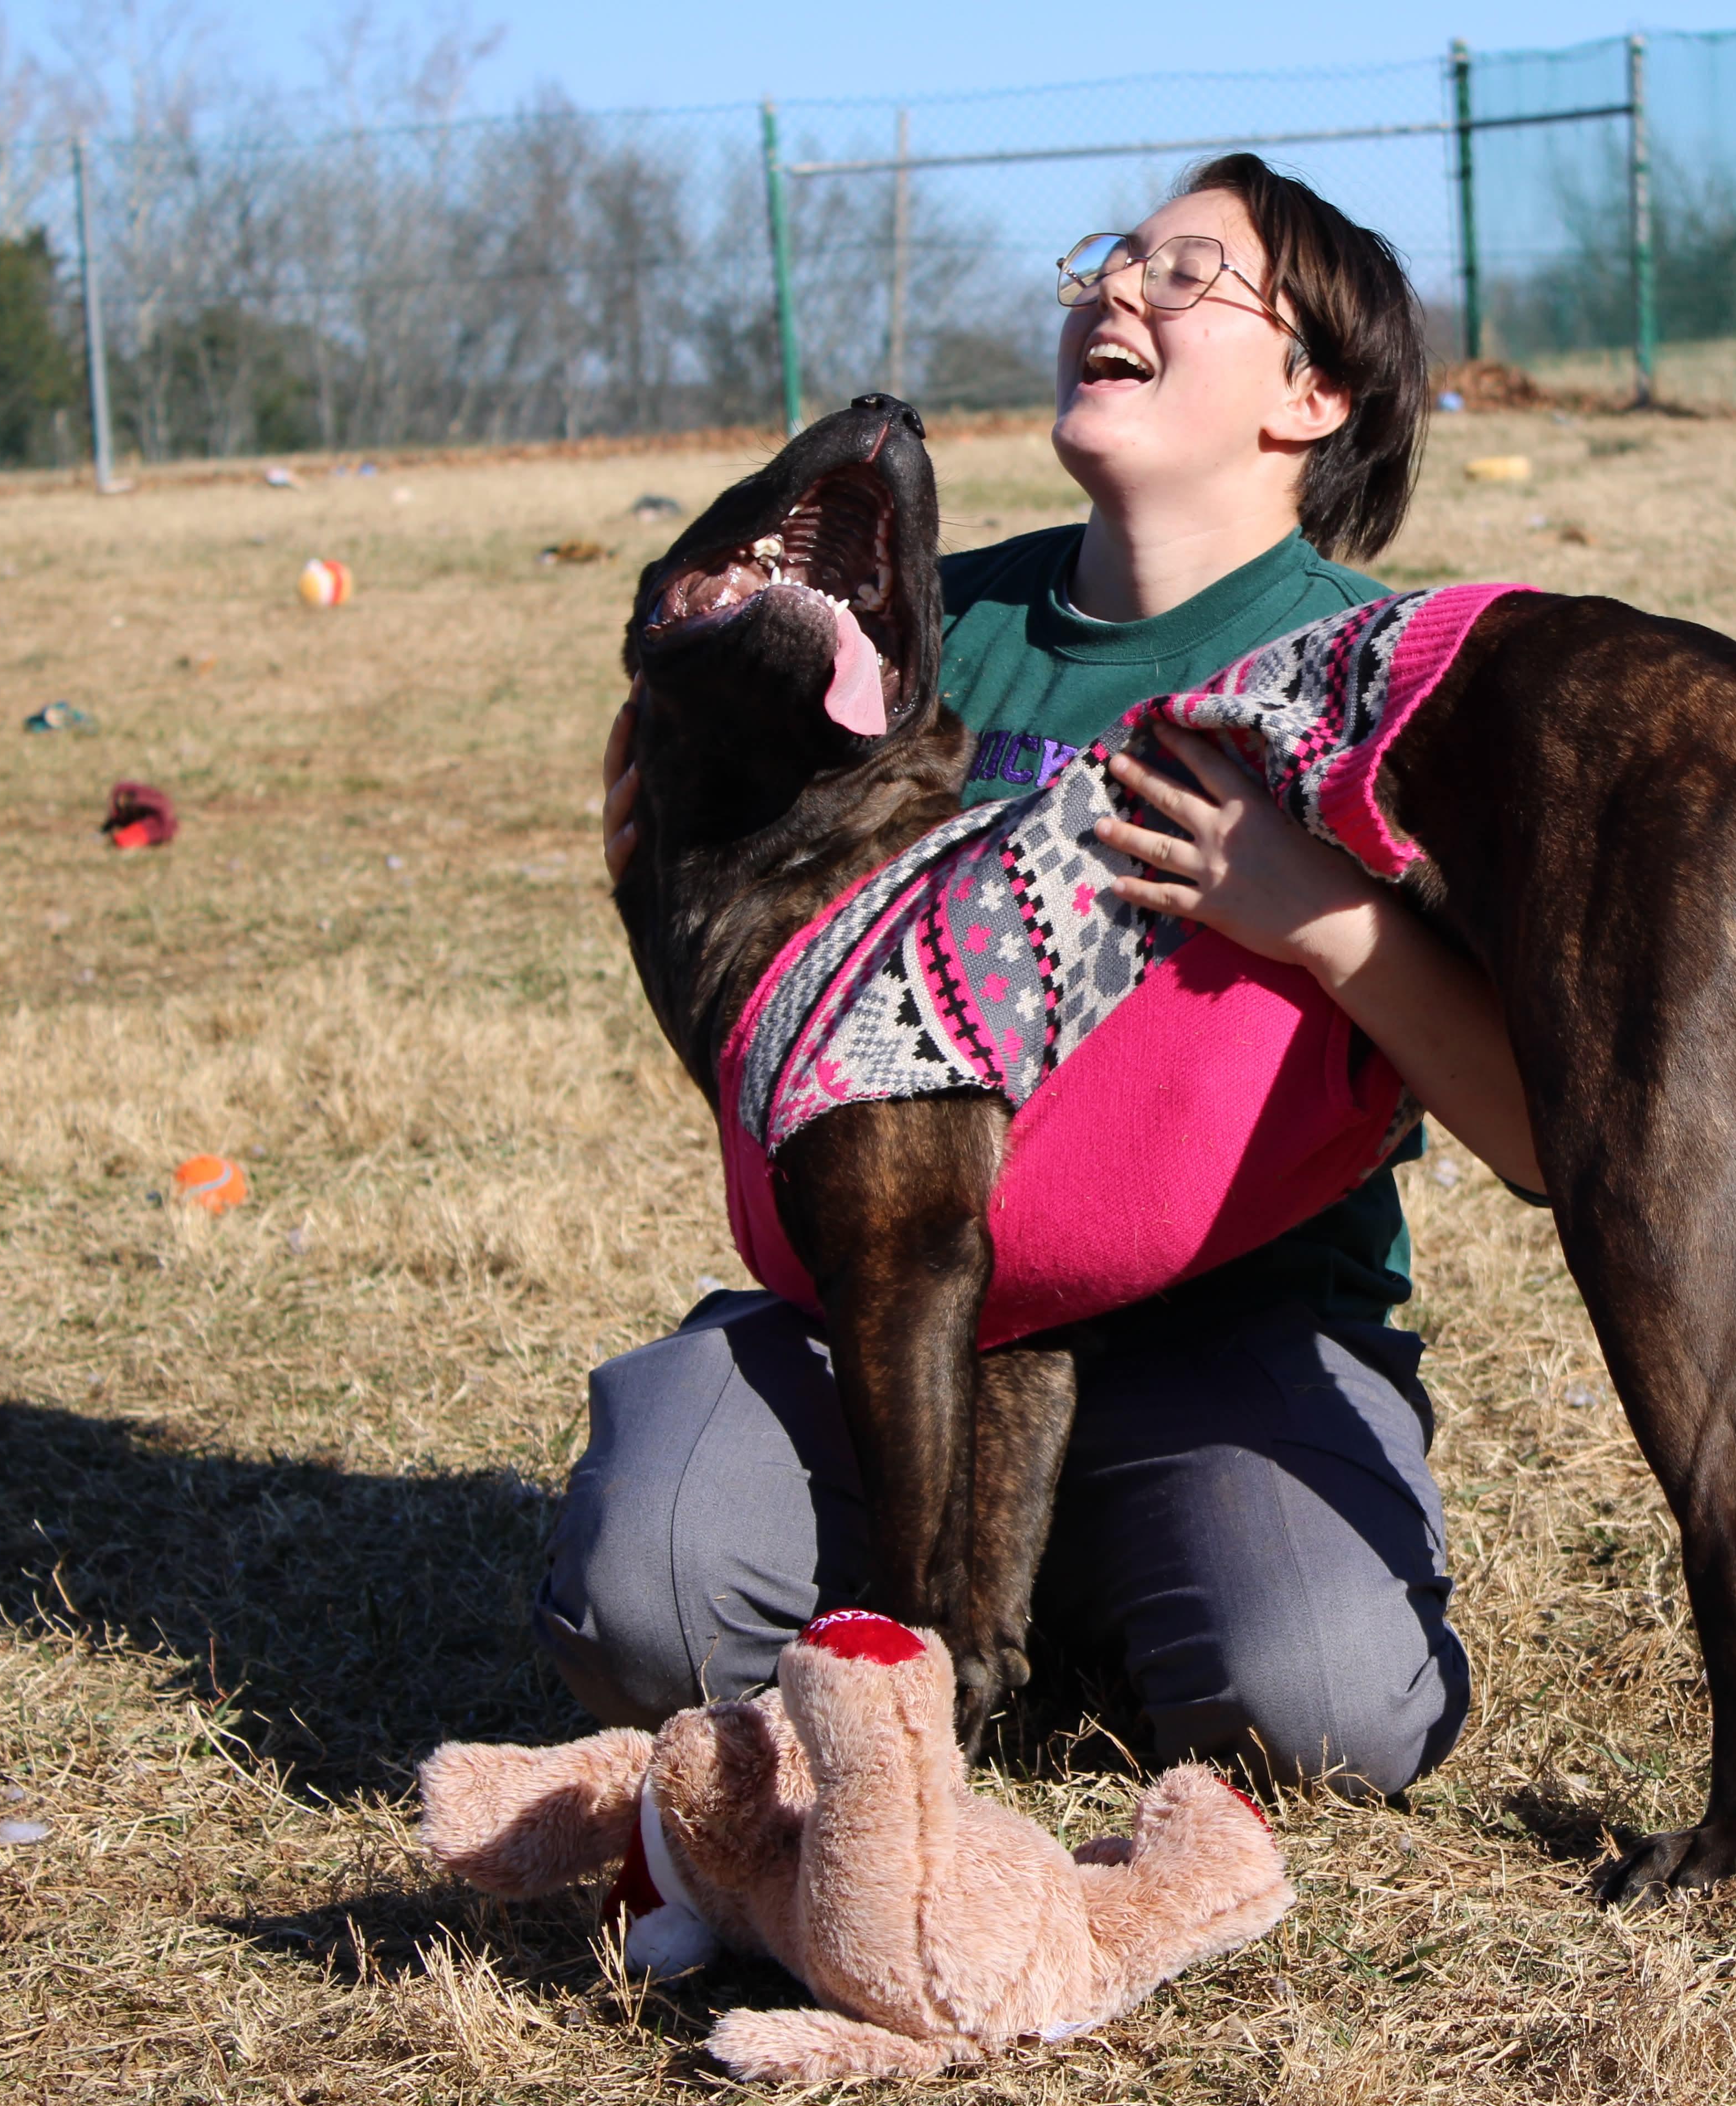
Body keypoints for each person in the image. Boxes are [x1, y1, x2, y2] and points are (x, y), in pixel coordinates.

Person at [536, 156, 1540, 1800]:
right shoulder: (911, 621)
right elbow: (777, 1029)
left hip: (1235, 1335)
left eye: (1190, 273)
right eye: (1109, 260)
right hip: (878, 1315)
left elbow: (1544, 1142)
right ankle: (988, 1591)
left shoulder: (1390, 679)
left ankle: (1069, 1581)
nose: (1116, 293)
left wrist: (1319, 919)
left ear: (1317, 393)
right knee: (642, 1621)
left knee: (1326, 1715)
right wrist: (655, 881)